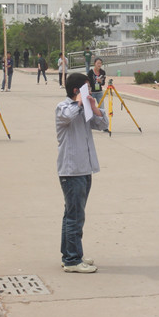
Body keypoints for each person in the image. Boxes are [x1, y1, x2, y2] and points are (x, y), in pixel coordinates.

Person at [56, 73, 109, 273]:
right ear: (77, 91)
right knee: (74, 216)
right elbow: (68, 116)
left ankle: (70, 252)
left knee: (73, 214)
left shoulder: (84, 109)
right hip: (72, 171)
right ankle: (72, 259)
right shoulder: (63, 107)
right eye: (86, 88)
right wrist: (78, 103)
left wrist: (94, 108)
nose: (90, 92)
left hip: (85, 169)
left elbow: (103, 124)